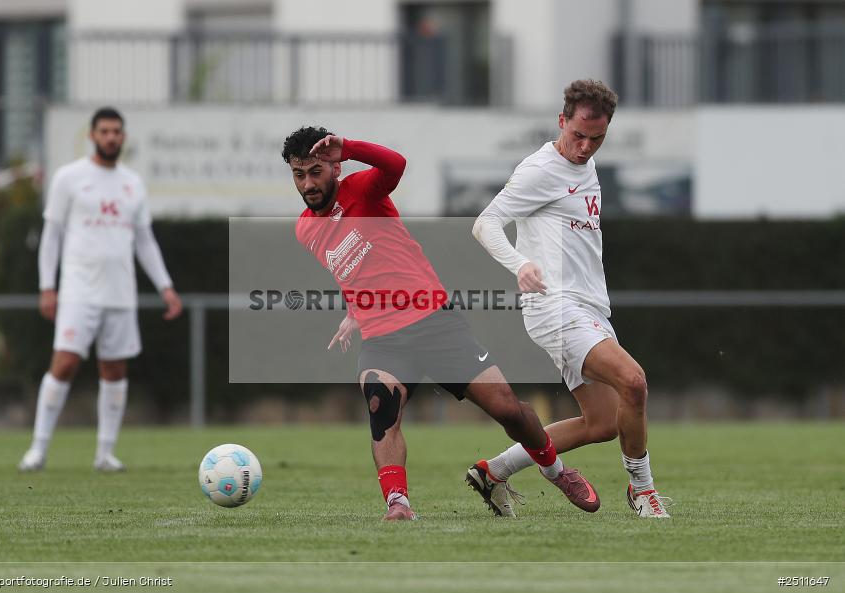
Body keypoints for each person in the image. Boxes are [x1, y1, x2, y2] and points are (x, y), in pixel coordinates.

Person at [282, 126, 600, 520]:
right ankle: (398, 503)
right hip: (383, 339)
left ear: (334, 167)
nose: (308, 184)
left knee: (508, 409)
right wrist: (352, 311)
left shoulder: (363, 190)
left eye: (316, 171)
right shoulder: (305, 228)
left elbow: (396, 164)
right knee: (381, 406)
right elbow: (351, 270)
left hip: (433, 322)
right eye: (299, 175)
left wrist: (348, 147)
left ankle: (556, 471)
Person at [469, 79, 671, 518]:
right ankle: (643, 491)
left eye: (596, 139)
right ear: (562, 121)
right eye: (578, 135)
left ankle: (493, 471)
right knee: (634, 382)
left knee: (602, 424)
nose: (584, 147)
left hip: (589, 308)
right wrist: (520, 264)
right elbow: (485, 224)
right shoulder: (539, 169)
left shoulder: (587, 164)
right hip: (555, 307)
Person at [18, 107, 182, 473]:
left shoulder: (132, 183)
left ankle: (104, 454)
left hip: (120, 292)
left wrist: (165, 286)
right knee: (65, 362)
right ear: (92, 135)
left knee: (115, 369)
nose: (110, 137)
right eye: (104, 131)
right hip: (78, 290)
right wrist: (47, 286)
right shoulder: (69, 178)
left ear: (123, 137)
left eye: (116, 131)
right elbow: (52, 235)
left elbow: (144, 241)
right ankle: (37, 450)